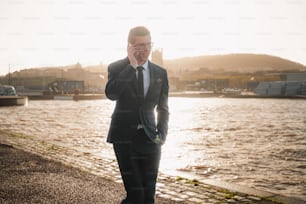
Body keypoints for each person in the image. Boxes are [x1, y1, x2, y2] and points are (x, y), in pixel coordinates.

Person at [105, 26, 169, 204]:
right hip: (124, 139)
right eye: (141, 45)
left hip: (151, 139)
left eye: (149, 44)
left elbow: (163, 108)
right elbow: (111, 94)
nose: (147, 49)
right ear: (130, 46)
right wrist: (131, 66)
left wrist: (161, 136)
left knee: (148, 197)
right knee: (136, 195)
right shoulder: (117, 68)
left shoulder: (160, 73)